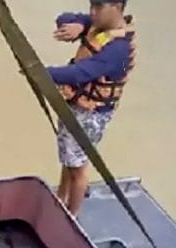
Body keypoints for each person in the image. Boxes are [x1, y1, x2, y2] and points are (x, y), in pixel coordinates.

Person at [46, 0, 136, 215]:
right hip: (78, 104)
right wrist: (81, 24)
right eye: (91, 6)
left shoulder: (118, 49)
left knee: (78, 167)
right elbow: (64, 18)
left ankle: (72, 214)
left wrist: (42, 72)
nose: (92, 12)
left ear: (117, 7)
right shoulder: (98, 26)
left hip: (91, 113)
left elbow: (82, 73)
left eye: (98, 8)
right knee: (70, 158)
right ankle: (61, 197)